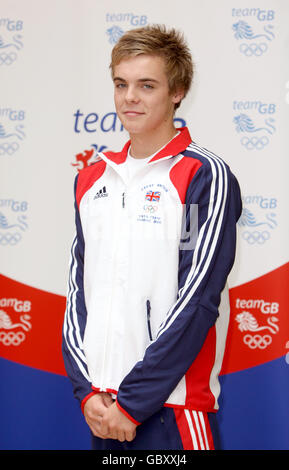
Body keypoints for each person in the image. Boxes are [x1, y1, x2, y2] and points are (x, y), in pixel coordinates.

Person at [62, 24, 242, 451]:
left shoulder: (202, 175)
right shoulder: (92, 178)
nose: (130, 98)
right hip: (103, 409)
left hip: (174, 411)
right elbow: (77, 292)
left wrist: (135, 402)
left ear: (177, 91)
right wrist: (87, 391)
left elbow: (197, 297)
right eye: (121, 84)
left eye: (146, 85)